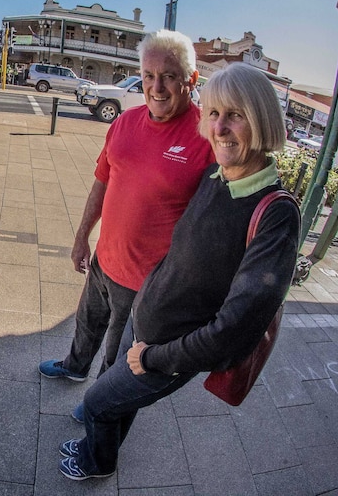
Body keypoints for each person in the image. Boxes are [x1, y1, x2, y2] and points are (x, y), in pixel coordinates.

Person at [58, 62, 301, 481]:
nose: (220, 128)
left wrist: (153, 358)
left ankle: (97, 462)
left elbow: (234, 329)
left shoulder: (276, 214)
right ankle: (101, 450)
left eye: (236, 115)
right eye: (213, 114)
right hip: (145, 322)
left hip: (168, 352)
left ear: (261, 120)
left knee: (100, 402)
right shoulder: (216, 175)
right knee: (117, 402)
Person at [38, 30, 215, 407]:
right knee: (86, 324)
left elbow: (213, 228)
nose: (156, 87)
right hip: (105, 260)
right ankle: (74, 366)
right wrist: (82, 236)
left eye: (168, 76)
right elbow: (102, 181)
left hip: (147, 285)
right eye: (148, 76)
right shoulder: (124, 123)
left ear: (191, 80)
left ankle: (98, 409)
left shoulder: (206, 140)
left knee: (119, 360)